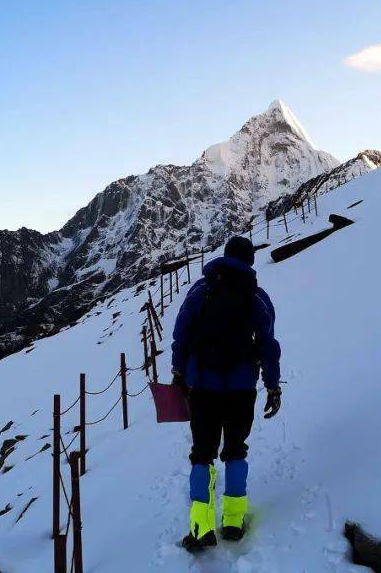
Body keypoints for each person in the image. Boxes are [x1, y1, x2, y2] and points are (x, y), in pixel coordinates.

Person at [170, 235, 282, 552]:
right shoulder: (256, 297)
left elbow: (181, 334)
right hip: (242, 388)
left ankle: (200, 526)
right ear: (249, 261)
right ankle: (233, 522)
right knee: (235, 450)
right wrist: (273, 385)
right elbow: (269, 346)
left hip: (203, 387)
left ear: (224, 256)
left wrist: (179, 371)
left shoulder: (200, 291)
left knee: (201, 454)